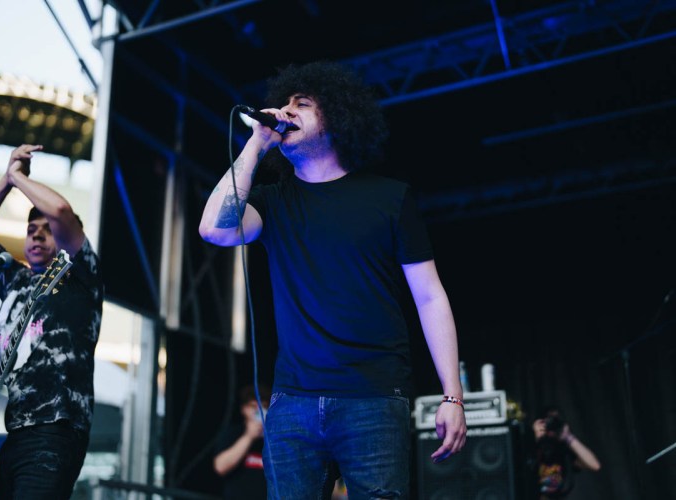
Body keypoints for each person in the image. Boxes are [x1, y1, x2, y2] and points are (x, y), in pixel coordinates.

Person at [199, 60, 467, 498]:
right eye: (284, 103)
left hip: (375, 396)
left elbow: (430, 297)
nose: (287, 111)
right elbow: (214, 229)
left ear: (338, 118)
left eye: (302, 103)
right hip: (293, 401)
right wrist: (256, 143)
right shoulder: (272, 202)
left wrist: (452, 395)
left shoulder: (389, 198)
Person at [0, 144, 104, 498]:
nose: (36, 234)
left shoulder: (80, 276)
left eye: (47, 230)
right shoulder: (15, 280)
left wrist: (19, 178)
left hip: (50, 429)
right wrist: (5, 182)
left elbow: (61, 210)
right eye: (31, 229)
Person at [213, 384, 271, 499]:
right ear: (243, 409)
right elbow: (220, 467)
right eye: (253, 406)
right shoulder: (233, 433)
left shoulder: (276, 439)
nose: (258, 411)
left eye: (263, 406)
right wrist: (249, 437)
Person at [533, 406, 601, 499]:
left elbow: (595, 465)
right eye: (547, 420)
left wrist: (568, 437)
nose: (551, 425)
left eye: (555, 421)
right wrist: (535, 437)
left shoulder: (564, 453)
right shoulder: (528, 444)